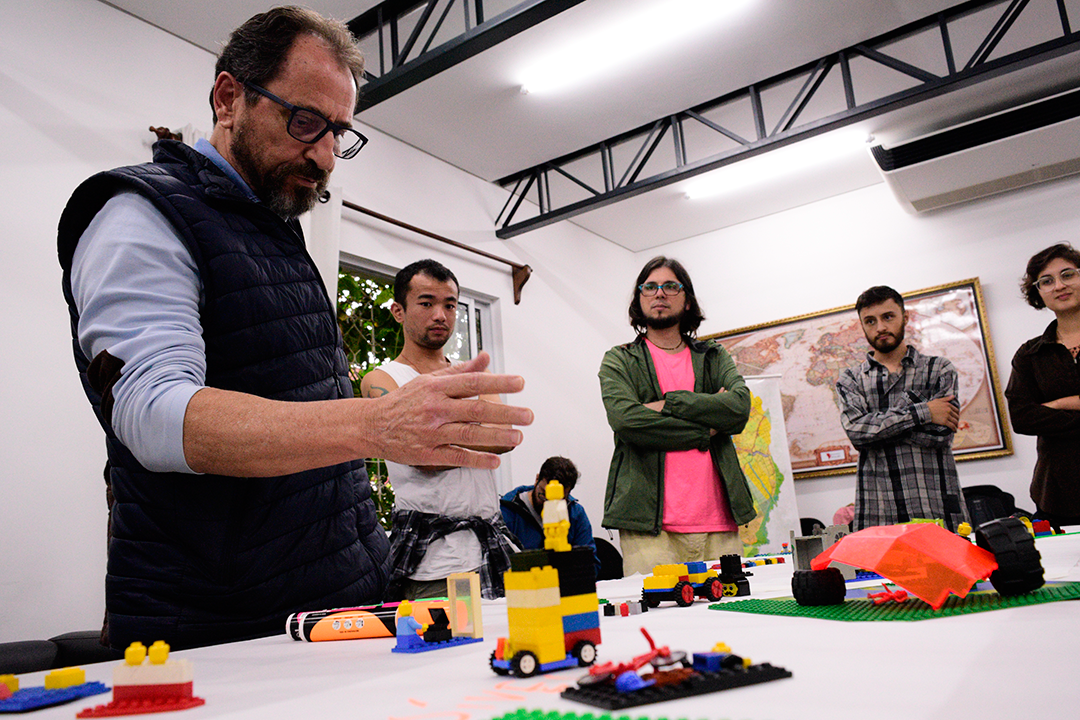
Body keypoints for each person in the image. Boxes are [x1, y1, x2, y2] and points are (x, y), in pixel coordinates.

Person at [56, 7, 531, 650]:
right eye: (305, 121)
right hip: (222, 629)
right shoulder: (141, 214)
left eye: (340, 133)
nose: (325, 154)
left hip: (334, 604)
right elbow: (153, 414)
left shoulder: (274, 231)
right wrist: (374, 425)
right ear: (229, 99)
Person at [361, 259, 520, 600]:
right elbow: (422, 455)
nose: (440, 315)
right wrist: (473, 427)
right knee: (444, 635)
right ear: (398, 311)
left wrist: (441, 431)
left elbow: (503, 436)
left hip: (490, 548)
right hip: (433, 560)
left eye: (449, 305)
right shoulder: (382, 379)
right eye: (426, 303)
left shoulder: (474, 375)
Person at [598, 256, 756, 576]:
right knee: (659, 608)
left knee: (733, 606)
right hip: (648, 528)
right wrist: (705, 429)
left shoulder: (713, 356)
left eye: (671, 286)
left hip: (719, 522)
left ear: (687, 301)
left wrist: (668, 403)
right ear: (639, 299)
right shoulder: (619, 360)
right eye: (650, 287)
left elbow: (738, 408)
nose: (659, 293)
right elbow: (627, 421)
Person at [836, 286, 967, 531]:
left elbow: (941, 434)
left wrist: (877, 430)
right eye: (870, 321)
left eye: (888, 317)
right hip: (878, 509)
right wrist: (924, 412)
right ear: (862, 326)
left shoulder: (938, 369)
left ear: (905, 317)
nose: (880, 327)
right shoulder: (851, 379)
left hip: (934, 502)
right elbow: (857, 433)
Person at [1005, 243, 1080, 527]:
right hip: (1059, 494)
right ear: (1038, 292)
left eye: (1067, 274)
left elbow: (1036, 414)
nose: (1059, 285)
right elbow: (1022, 417)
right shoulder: (1030, 354)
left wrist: (1059, 404)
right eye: (1046, 281)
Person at [500, 456, 600, 573]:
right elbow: (500, 566)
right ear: (537, 479)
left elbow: (591, 564)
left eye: (559, 499)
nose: (548, 504)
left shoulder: (576, 514)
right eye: (543, 494)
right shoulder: (508, 512)